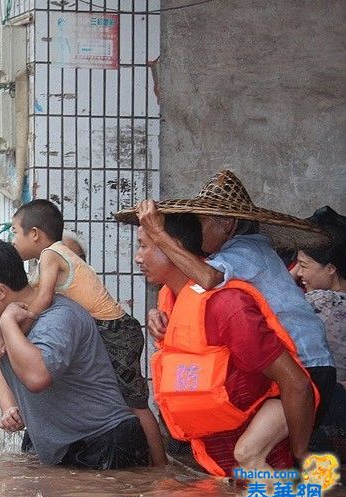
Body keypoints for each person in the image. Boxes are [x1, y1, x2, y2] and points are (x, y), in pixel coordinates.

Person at [124, 170, 334, 468]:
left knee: (267, 455)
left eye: (202, 223)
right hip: (282, 365)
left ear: (227, 223)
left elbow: (206, 278)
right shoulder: (228, 258)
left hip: (308, 364)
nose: (197, 233)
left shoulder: (247, 250)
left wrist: (159, 234)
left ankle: (303, 458)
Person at [0, 200, 167, 466]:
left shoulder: (52, 255)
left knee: (134, 403)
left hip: (116, 330)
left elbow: (43, 301)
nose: (13, 239)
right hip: (106, 328)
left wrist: (10, 328)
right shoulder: (44, 261)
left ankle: (161, 467)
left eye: (16, 232)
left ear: (35, 234)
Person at [0, 238, 151, 469]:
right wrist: (1, 319)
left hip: (104, 444)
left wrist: (7, 320)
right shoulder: (3, 325)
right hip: (64, 448)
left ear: (0, 291)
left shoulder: (58, 318)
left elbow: (37, 378)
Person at [296, 206, 346, 449]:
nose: (298, 273)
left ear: (330, 268)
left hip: (329, 407)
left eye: (304, 265)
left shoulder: (316, 304)